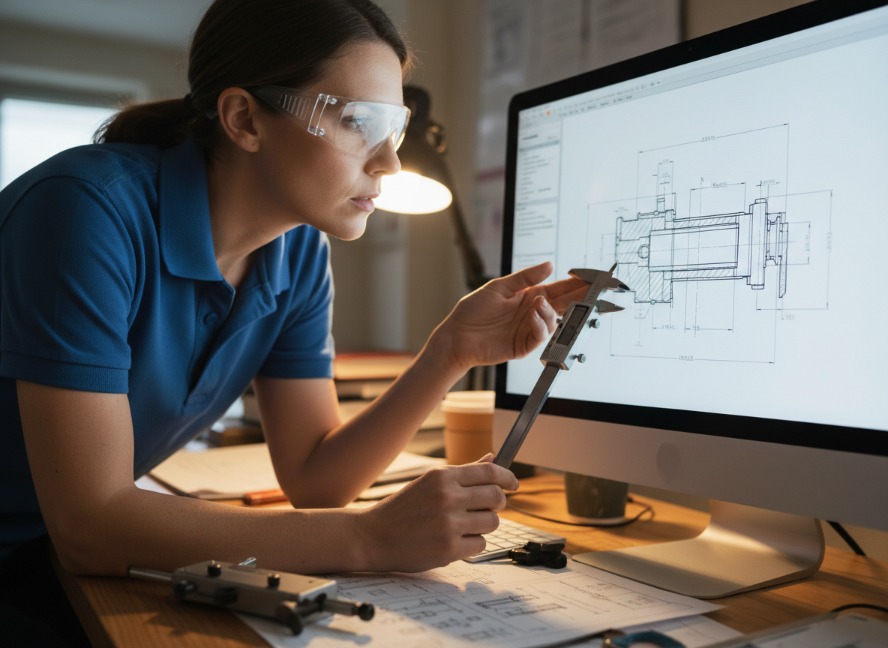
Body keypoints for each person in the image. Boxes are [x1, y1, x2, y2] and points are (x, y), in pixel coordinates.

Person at [0, 0, 586, 642]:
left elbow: (316, 478)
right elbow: (90, 528)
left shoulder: (299, 252)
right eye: (358, 122)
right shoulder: (87, 212)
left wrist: (449, 350)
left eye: (394, 128)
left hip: (51, 557)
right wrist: (370, 537)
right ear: (245, 119)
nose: (389, 162)